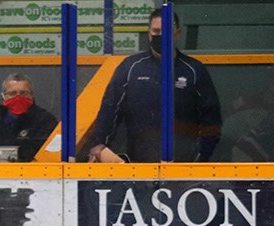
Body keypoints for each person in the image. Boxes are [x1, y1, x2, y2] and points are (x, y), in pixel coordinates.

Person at [88, 8, 222, 163]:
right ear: (148, 33)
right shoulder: (130, 67)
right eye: (156, 31)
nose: (161, 36)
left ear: (177, 33)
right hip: (137, 165)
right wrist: (99, 144)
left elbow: (211, 120)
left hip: (184, 167)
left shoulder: (194, 70)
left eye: (166, 31)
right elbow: (109, 110)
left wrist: (200, 160)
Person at [0, 73, 58, 162]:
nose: (18, 98)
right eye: (12, 93)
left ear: (32, 95)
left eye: (23, 93)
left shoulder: (45, 120)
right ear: (3, 97)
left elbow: (50, 153)